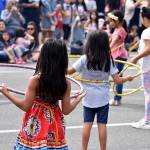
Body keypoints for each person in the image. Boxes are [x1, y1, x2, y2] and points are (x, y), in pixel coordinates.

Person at [0, 38, 85, 149]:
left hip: (35, 123)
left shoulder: (36, 80)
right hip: (55, 124)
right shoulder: (66, 83)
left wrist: (6, 93)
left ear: (44, 57)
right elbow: (66, 110)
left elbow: (25, 106)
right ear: (63, 59)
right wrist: (76, 100)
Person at [68, 31, 133, 150]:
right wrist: (127, 78)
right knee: (102, 125)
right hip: (102, 98)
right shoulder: (108, 59)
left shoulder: (84, 58)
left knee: (87, 124)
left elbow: (69, 71)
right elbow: (117, 80)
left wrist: (56, 68)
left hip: (87, 97)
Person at [131, 7, 150, 129]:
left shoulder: (147, 32)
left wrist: (136, 57)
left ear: (144, 18)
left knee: (148, 94)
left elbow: (148, 48)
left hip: (148, 67)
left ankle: (147, 120)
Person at [108, 10, 128, 106]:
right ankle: (117, 98)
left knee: (118, 77)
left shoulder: (120, 30)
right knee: (117, 77)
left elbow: (113, 42)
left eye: (112, 21)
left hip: (120, 56)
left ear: (118, 21)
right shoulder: (116, 29)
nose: (110, 23)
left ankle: (117, 99)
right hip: (116, 55)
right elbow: (110, 40)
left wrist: (106, 50)